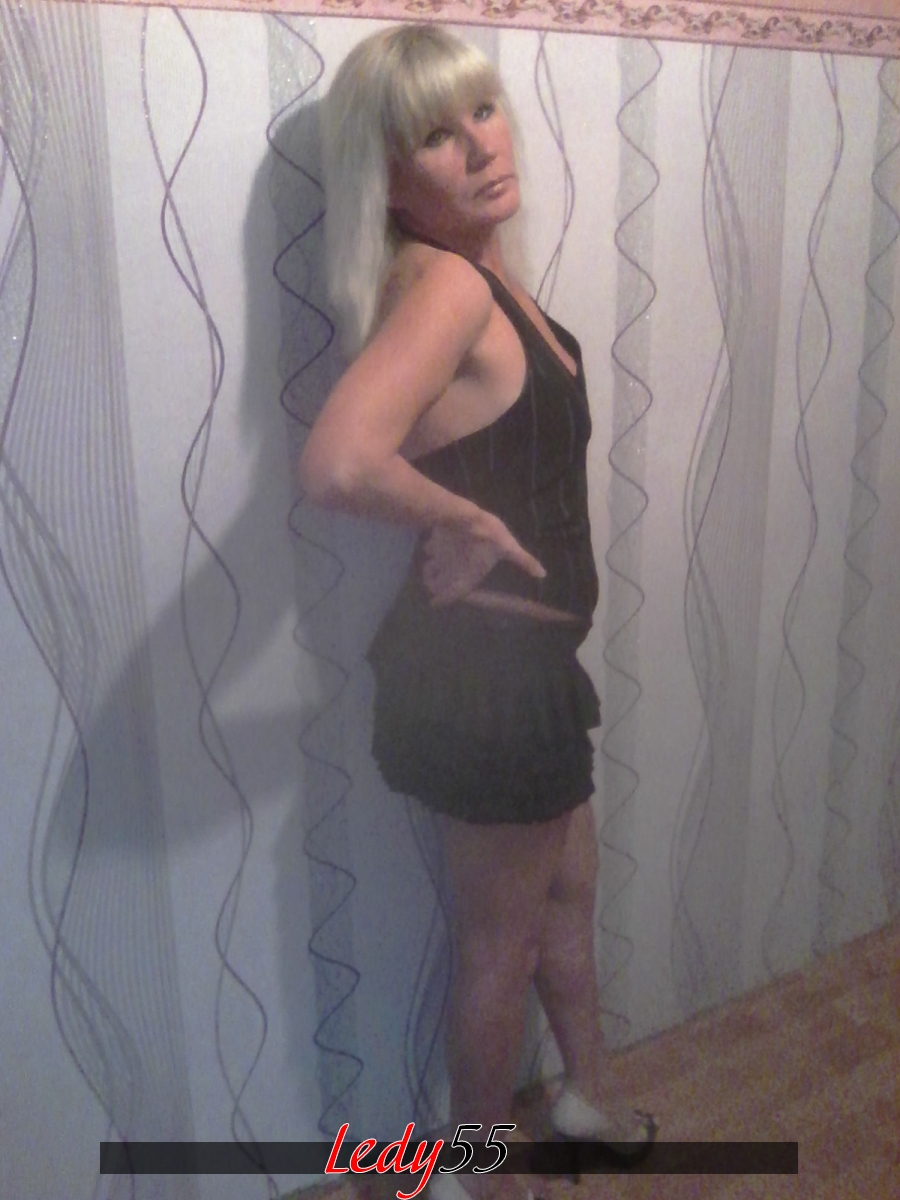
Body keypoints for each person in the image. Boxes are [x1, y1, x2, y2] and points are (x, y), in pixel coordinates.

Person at [299, 23, 655, 1197]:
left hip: (525, 665)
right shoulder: (448, 283)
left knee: (567, 896)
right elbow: (339, 461)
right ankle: (476, 1170)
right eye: (435, 137)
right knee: (500, 943)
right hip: (486, 680)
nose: (480, 148)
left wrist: (460, 516)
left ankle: (587, 1092)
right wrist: (465, 521)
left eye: (484, 113)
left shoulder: (481, 271)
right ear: (389, 181)